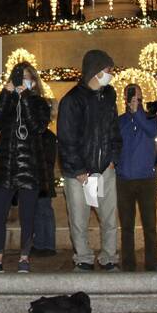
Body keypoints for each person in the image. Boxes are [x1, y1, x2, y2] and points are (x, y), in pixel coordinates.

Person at [0, 62, 50, 274]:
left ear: (34, 81)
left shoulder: (39, 102)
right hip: (6, 165)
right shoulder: (7, 100)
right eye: (21, 78)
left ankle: (24, 257)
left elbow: (38, 126)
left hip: (29, 166)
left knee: (28, 214)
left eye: (28, 78)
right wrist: (6, 95)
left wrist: (26, 99)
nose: (24, 81)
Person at [58, 50, 122, 272]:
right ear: (95, 71)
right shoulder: (72, 100)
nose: (110, 75)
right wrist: (78, 168)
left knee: (109, 218)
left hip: (104, 168)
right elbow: (67, 138)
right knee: (79, 218)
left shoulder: (109, 96)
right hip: (80, 173)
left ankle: (109, 257)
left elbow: (114, 129)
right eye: (107, 70)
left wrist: (113, 157)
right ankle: (84, 258)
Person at [117, 83, 157, 272]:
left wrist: (138, 112)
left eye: (138, 97)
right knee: (126, 226)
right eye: (131, 96)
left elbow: (152, 131)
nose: (135, 99)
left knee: (150, 225)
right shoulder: (120, 121)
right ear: (124, 99)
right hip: (124, 180)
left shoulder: (151, 117)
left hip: (147, 180)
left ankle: (152, 263)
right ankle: (128, 265)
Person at [31, 126, 59, 257]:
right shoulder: (44, 136)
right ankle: (40, 244)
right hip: (38, 180)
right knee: (37, 213)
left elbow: (48, 160)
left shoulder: (47, 137)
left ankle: (48, 245)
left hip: (43, 180)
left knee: (45, 212)